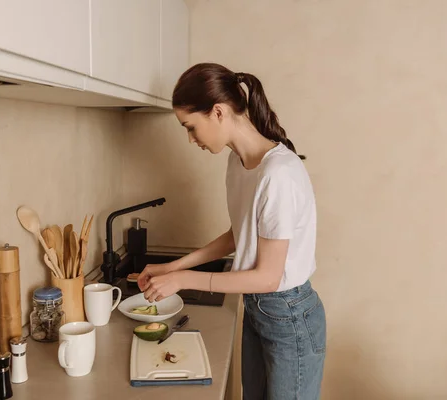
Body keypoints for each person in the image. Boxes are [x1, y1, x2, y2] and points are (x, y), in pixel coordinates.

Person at [137, 62, 326, 399]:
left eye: (191, 127)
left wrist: (185, 280)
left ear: (219, 112)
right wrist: (174, 267)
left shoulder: (278, 174)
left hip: (289, 316)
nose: (190, 138)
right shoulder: (238, 163)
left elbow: (269, 277)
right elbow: (239, 235)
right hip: (258, 309)